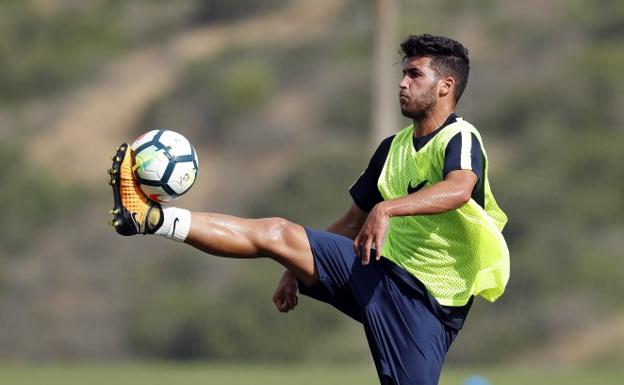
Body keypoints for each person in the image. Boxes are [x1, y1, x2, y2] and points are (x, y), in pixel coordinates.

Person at [108, 34, 509, 385]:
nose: (402, 83)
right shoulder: (392, 148)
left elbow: (459, 188)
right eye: (402, 74)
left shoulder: (461, 136)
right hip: (375, 269)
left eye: (415, 75)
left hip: (427, 304)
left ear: (446, 86)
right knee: (278, 234)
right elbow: (353, 221)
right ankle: (148, 217)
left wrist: (387, 209)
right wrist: (295, 268)